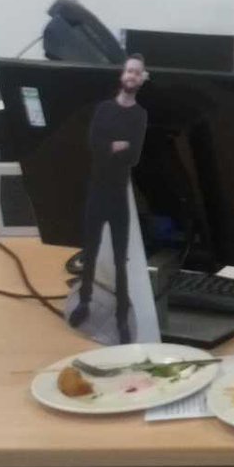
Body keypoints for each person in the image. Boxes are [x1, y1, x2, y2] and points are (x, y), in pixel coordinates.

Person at [68, 54, 148, 343]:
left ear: (142, 79)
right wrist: (115, 145)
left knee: (119, 258)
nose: (132, 76)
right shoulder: (103, 109)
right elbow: (93, 144)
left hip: (118, 195)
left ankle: (121, 318)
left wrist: (113, 146)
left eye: (137, 73)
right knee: (90, 251)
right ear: (122, 75)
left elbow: (134, 155)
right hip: (97, 190)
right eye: (129, 71)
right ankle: (84, 302)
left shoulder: (140, 116)